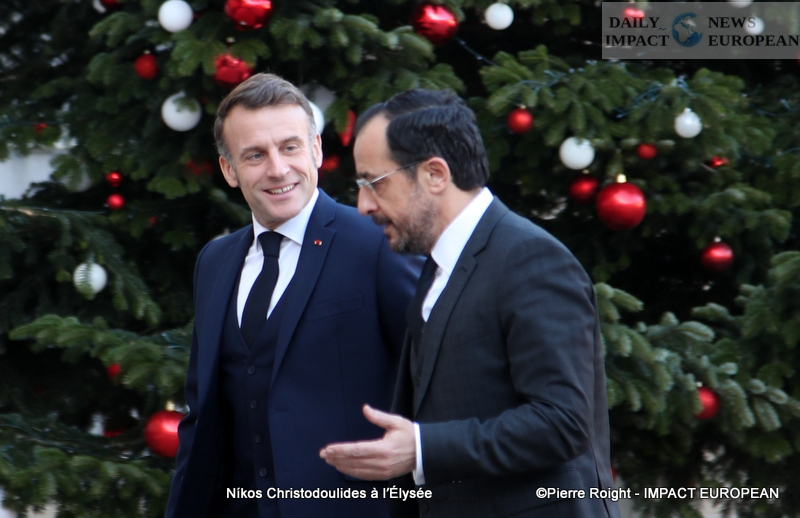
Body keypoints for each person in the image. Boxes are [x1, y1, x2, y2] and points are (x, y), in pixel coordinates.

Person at [319, 89, 621, 518]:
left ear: (435, 174)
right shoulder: (438, 265)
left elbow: (563, 424)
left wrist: (422, 449)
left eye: (376, 183)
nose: (364, 205)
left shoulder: (531, 259)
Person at [165, 73, 420, 518]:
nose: (278, 169)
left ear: (316, 149)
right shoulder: (214, 262)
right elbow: (202, 416)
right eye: (255, 155)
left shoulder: (377, 242)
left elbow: (439, 374)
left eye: (290, 147)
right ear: (229, 169)